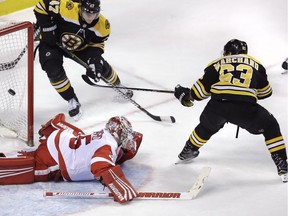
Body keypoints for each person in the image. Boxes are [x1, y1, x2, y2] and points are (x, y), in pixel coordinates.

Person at [174, 39, 288, 183]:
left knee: (206, 126)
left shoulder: (216, 64)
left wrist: (184, 94)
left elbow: (198, 94)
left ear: (227, 52)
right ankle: (282, 165)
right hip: (246, 107)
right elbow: (266, 93)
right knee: (270, 126)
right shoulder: (256, 64)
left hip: (218, 106)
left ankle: (188, 150)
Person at [0, 113, 143, 203]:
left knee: (30, 153)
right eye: (125, 134)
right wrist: (123, 189)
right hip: (54, 157)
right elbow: (100, 166)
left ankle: (52, 126)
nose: (128, 138)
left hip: (61, 137)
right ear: (118, 134)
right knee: (31, 169)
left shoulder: (105, 134)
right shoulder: (108, 146)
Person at [34, 0, 133, 120]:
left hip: (81, 48)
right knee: (53, 71)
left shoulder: (103, 26)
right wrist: (47, 27)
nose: (91, 18)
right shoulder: (66, 8)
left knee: (100, 66)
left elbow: (97, 45)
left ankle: (118, 85)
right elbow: (41, 6)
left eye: (94, 14)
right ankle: (71, 99)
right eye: (87, 14)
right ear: (80, 8)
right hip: (53, 42)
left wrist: (94, 60)